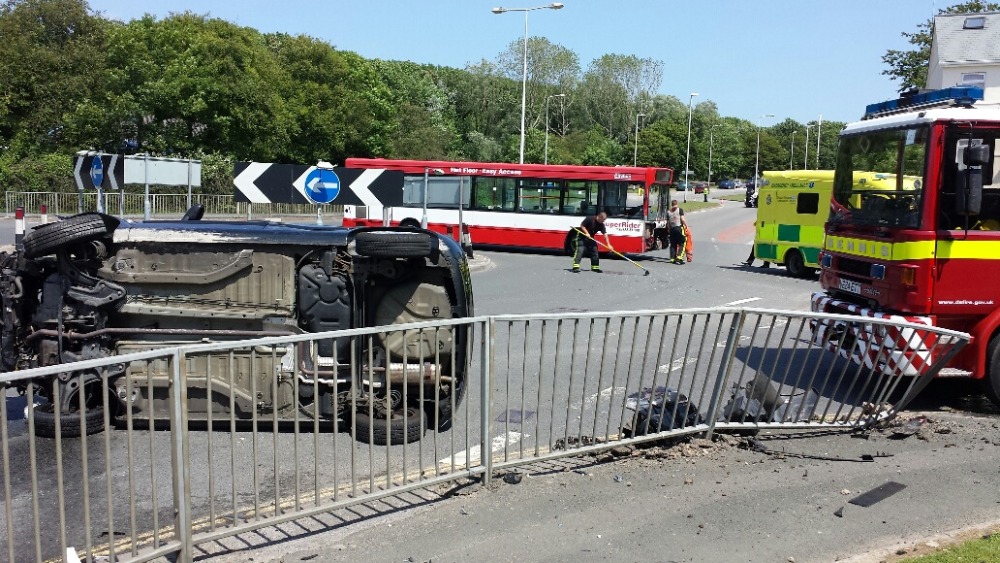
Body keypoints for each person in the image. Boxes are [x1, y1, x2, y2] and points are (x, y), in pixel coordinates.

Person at [667, 200, 687, 264]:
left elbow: (668, 223)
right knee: (682, 242)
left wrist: (669, 230)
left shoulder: (668, 212)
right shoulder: (679, 210)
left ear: (672, 204)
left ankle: (672, 258)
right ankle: (679, 257)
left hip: (672, 229)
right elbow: (682, 219)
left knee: (673, 244)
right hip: (678, 228)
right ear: (677, 204)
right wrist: (686, 225)